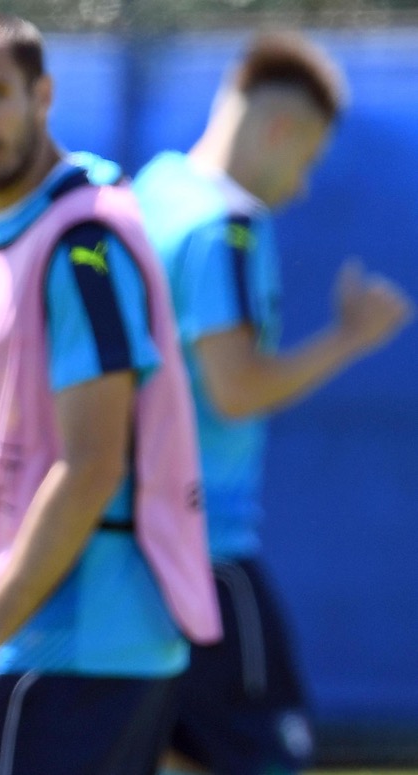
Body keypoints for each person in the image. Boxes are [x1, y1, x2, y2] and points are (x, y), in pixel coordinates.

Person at [0, 14, 221, 774]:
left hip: (77, 639)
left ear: (41, 95)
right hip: (63, 637)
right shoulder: (29, 226)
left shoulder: (82, 242)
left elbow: (91, 465)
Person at [132, 32, 413, 775]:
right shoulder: (225, 225)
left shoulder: (152, 191)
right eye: (307, 159)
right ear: (280, 129)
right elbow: (237, 389)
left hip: (128, 544)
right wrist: (350, 338)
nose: (302, 185)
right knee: (263, 757)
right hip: (205, 551)